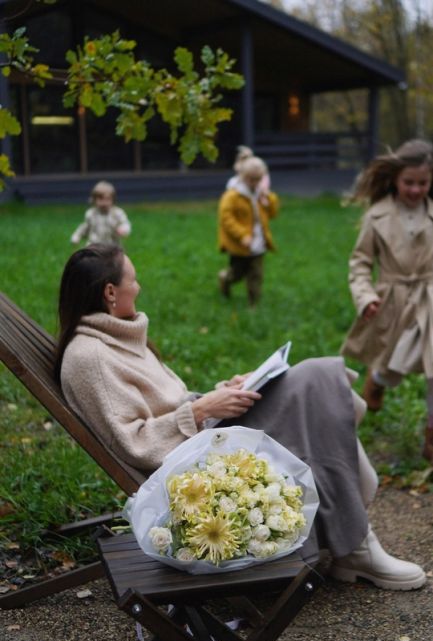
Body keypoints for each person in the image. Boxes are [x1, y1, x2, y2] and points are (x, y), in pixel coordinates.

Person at [54, 243, 426, 591]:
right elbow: (134, 443)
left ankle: (355, 543)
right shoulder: (91, 358)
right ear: (110, 292)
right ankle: (358, 545)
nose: (139, 285)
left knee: (314, 380)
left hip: (200, 434)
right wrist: (201, 410)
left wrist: (220, 392)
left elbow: (166, 404)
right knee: (315, 384)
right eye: (133, 279)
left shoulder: (116, 336)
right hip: (190, 462)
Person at [340, 139, 433, 463]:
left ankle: (431, 436)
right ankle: (377, 379)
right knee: (393, 367)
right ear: (395, 178)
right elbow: (360, 262)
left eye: (423, 183)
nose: (415, 189)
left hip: (430, 298)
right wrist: (366, 297)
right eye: (409, 182)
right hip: (394, 302)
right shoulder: (377, 217)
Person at [218, 156, 279, 307]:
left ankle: (254, 304)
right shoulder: (232, 196)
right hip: (240, 246)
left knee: (256, 275)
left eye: (258, 179)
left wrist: (269, 199)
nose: (255, 183)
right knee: (237, 274)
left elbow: (273, 214)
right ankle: (225, 279)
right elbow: (226, 219)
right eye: (251, 179)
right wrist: (242, 235)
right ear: (242, 177)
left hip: (258, 243)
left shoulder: (261, 194)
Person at [70, 180, 131, 246]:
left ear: (113, 200)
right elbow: (85, 227)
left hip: (112, 244)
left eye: (108, 199)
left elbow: (125, 223)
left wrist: (123, 229)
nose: (104, 203)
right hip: (94, 244)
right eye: (100, 199)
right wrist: (76, 237)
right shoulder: (91, 214)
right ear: (94, 199)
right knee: (89, 254)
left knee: (121, 256)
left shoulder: (117, 213)